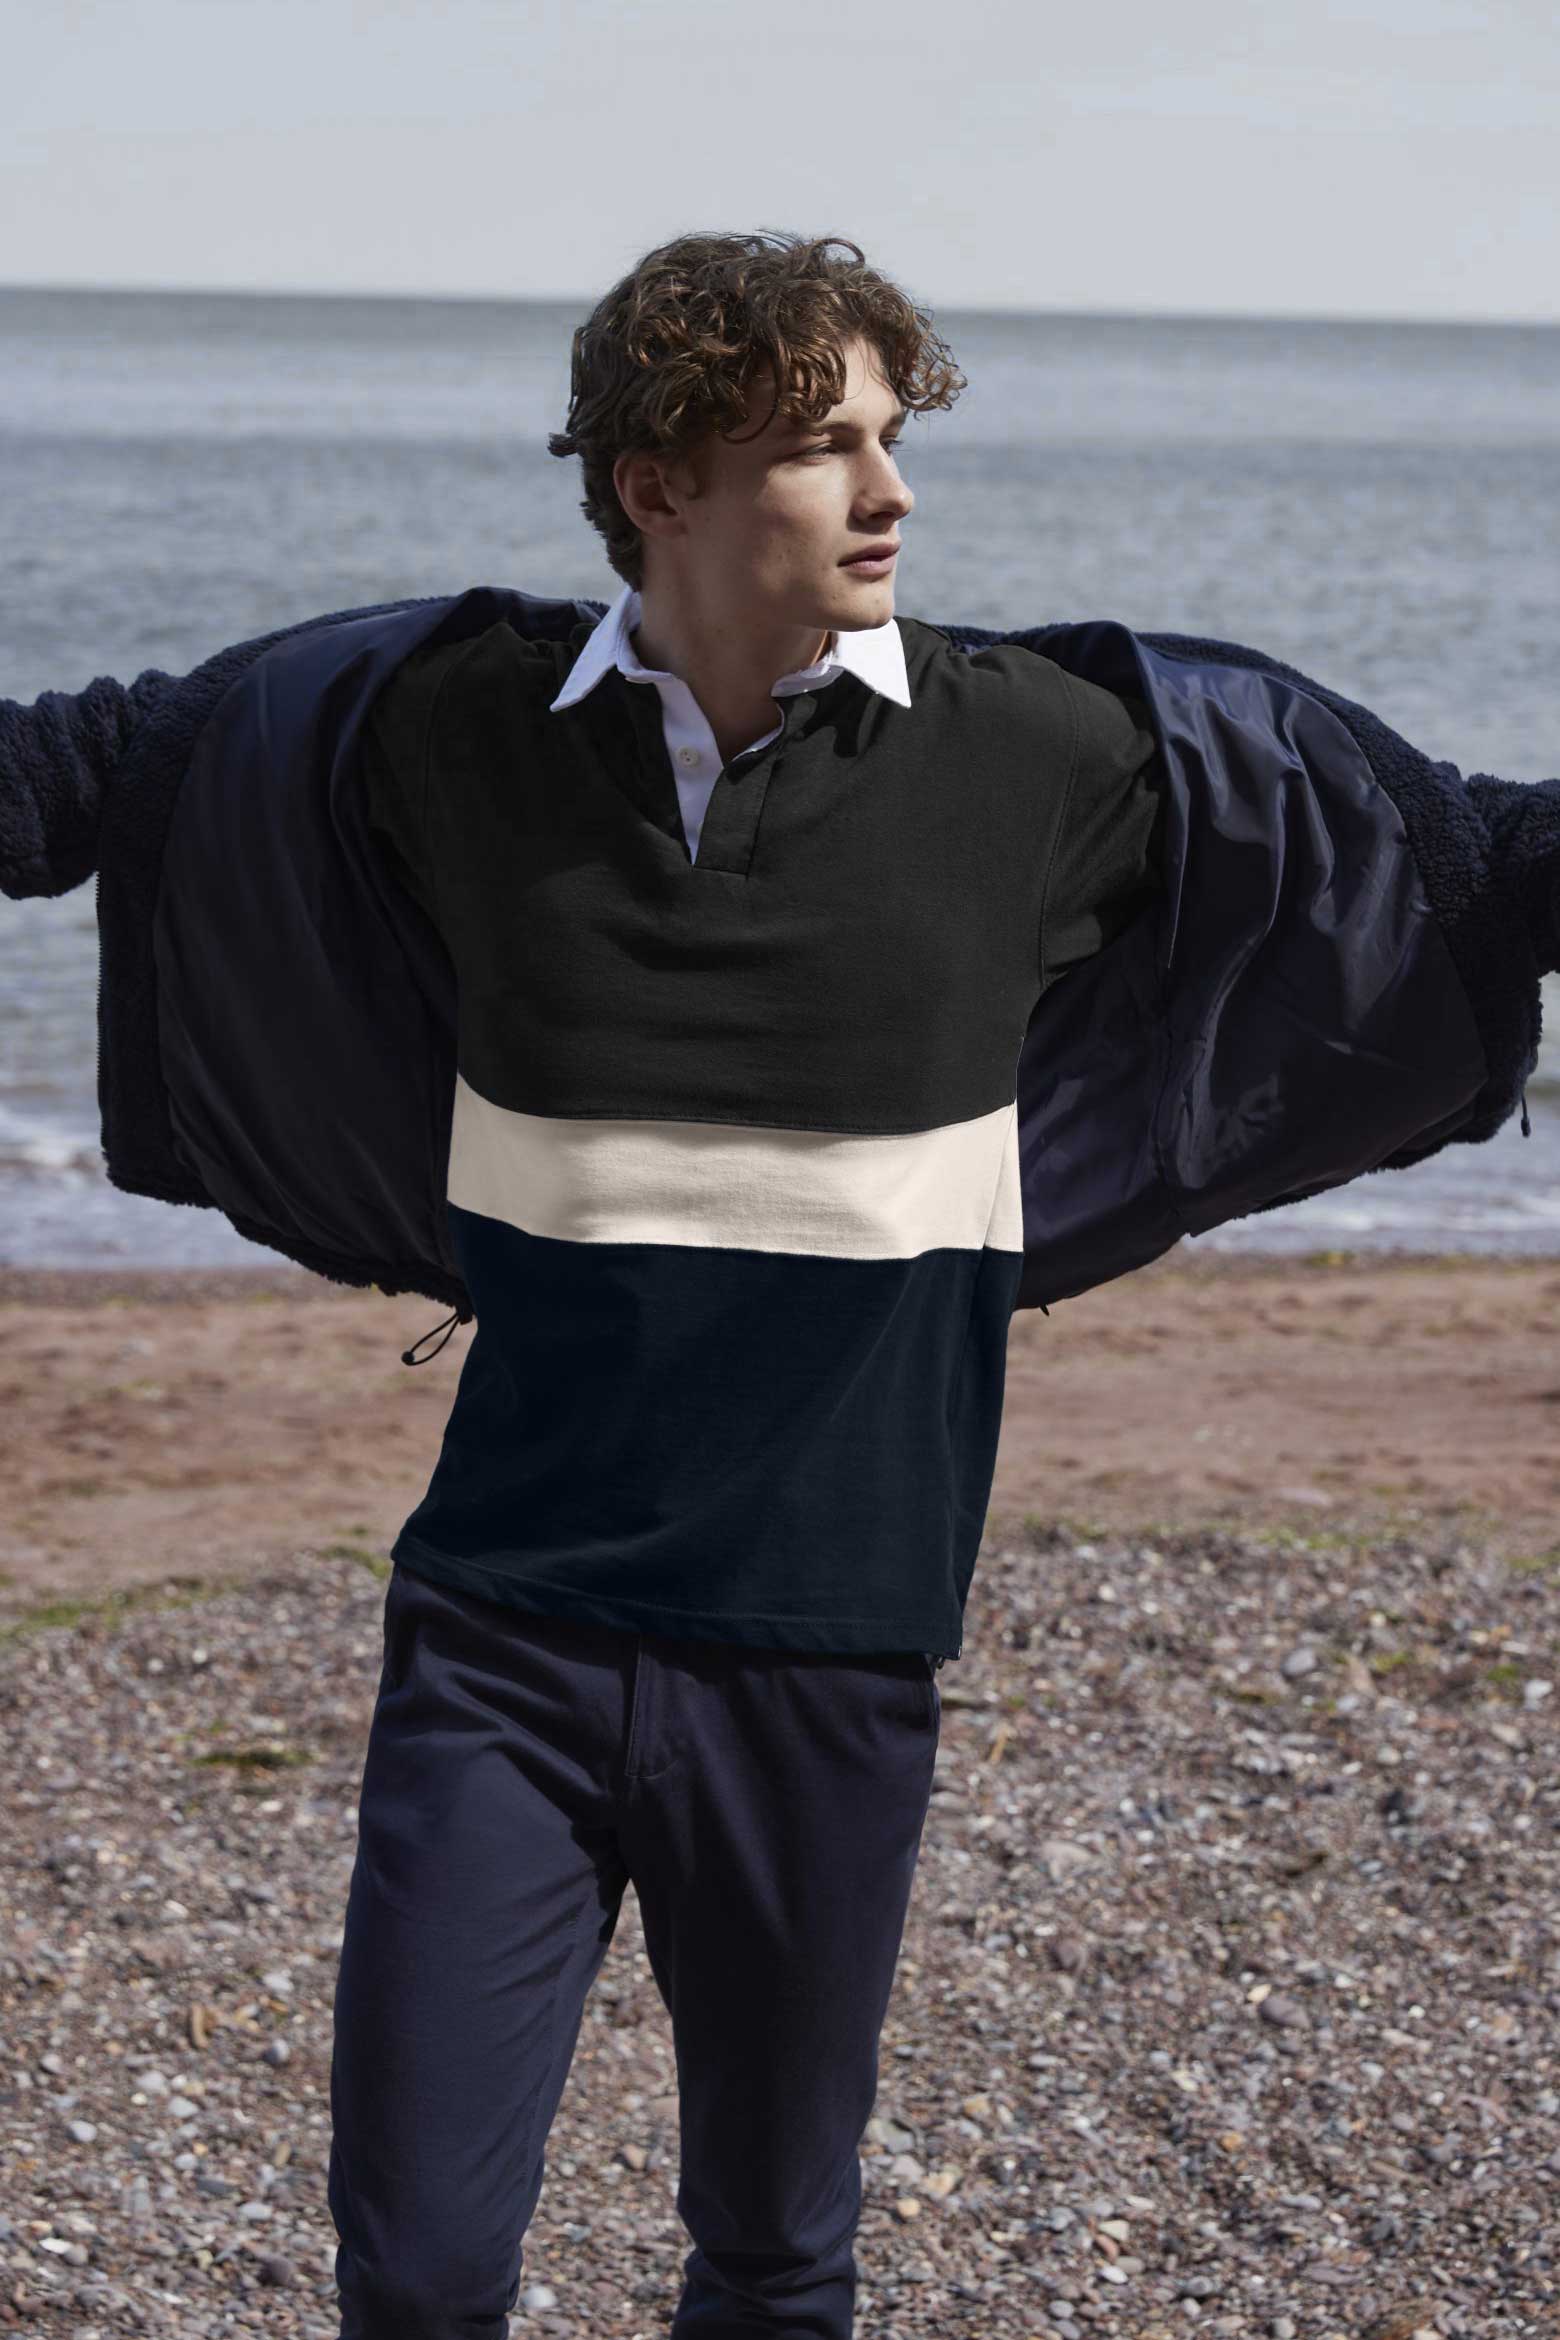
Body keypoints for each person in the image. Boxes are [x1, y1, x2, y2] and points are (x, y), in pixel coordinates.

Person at [3, 229, 1557, 2340]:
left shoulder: (1036, 759)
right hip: (502, 1645)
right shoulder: (458, 733)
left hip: (828, 1662)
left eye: (890, 439)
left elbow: (1451, 853)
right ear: (658, 482)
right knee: (422, 2270)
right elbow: (103, 771)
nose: (889, 491)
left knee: (771, 2257)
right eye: (824, 446)